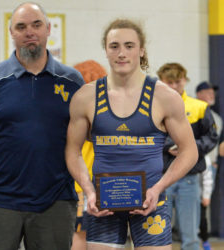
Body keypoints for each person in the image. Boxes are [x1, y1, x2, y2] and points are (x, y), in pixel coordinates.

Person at [0, 2, 84, 250]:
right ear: (11, 33)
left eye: (36, 25)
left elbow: (89, 135)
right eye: (21, 27)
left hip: (55, 201)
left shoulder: (72, 81)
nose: (29, 32)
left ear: (47, 29)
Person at [66, 18, 198, 250]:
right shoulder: (85, 97)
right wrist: (88, 191)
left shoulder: (165, 97)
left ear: (142, 50)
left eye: (129, 45)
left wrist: (158, 189)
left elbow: (189, 152)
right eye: (114, 46)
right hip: (103, 204)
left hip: (152, 201)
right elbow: (72, 151)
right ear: (106, 50)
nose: (122, 53)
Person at [157, 63, 218, 250]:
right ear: (161, 82)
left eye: (178, 81)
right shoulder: (153, 109)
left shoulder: (199, 107)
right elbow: (146, 138)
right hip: (160, 178)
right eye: (169, 82)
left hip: (190, 178)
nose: (174, 86)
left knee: (191, 236)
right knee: (158, 234)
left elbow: (211, 137)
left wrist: (188, 148)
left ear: (185, 80)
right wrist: (169, 146)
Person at [71, 60, 107, 250]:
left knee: (78, 236)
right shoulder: (107, 110)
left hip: (78, 183)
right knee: (101, 238)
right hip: (102, 182)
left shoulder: (74, 110)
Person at [196, 81, 222, 250]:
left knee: (204, 202)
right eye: (207, 91)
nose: (211, 93)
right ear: (199, 94)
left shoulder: (218, 118)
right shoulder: (194, 111)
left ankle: (204, 239)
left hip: (210, 165)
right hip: (194, 163)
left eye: (213, 91)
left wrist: (215, 162)